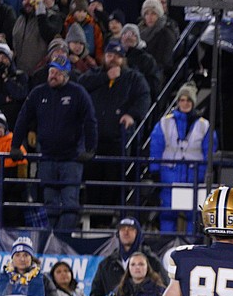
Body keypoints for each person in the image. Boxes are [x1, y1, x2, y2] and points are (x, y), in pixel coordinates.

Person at [11, 54, 96, 229]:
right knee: (49, 202)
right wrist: (15, 145)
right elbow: (23, 118)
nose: (53, 75)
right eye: (51, 71)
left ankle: (63, 240)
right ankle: (51, 241)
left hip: (71, 158)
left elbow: (90, 120)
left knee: (69, 202)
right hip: (47, 157)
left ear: (66, 75)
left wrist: (90, 148)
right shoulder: (38, 93)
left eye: (57, 72)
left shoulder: (78, 93)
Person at [81, 39, 150, 208]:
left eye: (117, 56)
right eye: (110, 55)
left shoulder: (133, 77)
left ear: (123, 59)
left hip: (117, 140)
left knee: (113, 181)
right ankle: (92, 217)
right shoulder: (94, 74)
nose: (113, 59)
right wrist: (105, 77)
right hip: (93, 140)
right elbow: (80, 87)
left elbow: (144, 97)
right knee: (92, 180)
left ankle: (110, 218)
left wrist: (131, 115)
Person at [148, 82, 215, 233]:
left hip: (194, 175)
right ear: (178, 102)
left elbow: (209, 151)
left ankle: (193, 249)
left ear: (193, 102)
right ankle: (166, 247)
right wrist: (154, 170)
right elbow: (156, 146)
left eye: (188, 100)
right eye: (182, 100)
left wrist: (205, 173)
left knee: (195, 215)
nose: (185, 103)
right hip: (169, 175)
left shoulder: (204, 125)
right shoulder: (165, 122)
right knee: (167, 213)